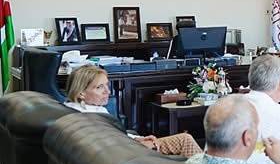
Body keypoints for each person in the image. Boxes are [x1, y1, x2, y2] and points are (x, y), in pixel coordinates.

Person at [65, 65, 201, 157]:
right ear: (81, 93)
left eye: (107, 85)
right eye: (100, 87)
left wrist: (137, 138)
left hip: (127, 146)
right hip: (129, 153)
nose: (108, 91)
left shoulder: (75, 108)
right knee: (185, 140)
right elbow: (111, 145)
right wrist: (138, 143)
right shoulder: (91, 116)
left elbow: (114, 134)